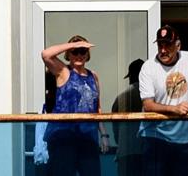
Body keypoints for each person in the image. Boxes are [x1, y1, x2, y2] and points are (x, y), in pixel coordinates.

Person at [139, 25, 188, 176]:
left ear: (178, 45)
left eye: (168, 45)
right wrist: (175, 109)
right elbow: (147, 104)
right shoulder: (148, 67)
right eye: (160, 45)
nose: (163, 50)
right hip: (157, 138)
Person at [41, 35, 110, 175]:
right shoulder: (63, 71)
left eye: (82, 51)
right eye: (75, 52)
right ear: (69, 54)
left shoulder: (93, 76)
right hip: (63, 137)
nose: (79, 55)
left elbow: (97, 108)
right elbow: (46, 54)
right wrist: (71, 45)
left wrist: (104, 135)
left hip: (87, 137)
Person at [110, 58, 145, 176]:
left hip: (126, 152)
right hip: (146, 150)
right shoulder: (152, 98)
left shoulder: (121, 98)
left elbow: (115, 132)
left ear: (131, 77)